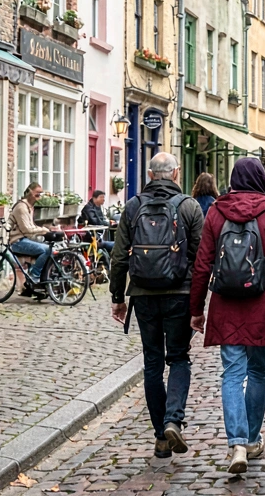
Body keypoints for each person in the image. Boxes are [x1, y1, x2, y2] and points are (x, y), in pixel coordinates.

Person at [189, 158, 265, 474]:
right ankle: (254, 437)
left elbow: (202, 264)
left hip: (225, 304)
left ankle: (238, 443)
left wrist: (196, 309)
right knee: (258, 371)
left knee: (232, 373)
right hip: (262, 302)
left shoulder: (216, 212)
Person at [109, 153, 205, 459]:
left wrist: (117, 297)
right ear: (176, 173)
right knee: (178, 358)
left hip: (143, 293)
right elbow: (201, 257)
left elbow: (120, 256)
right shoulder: (189, 206)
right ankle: (173, 419)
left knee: (152, 362)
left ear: (150, 174)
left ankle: (161, 438)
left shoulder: (133, 205)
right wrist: (199, 301)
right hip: (180, 293)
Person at [9, 183, 60, 298]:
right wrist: (43, 230)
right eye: (37, 193)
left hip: (26, 239)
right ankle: (34, 276)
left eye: (41, 193)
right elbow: (27, 229)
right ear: (30, 192)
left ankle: (36, 287)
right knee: (47, 250)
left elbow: (31, 227)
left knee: (49, 248)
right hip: (18, 241)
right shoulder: (21, 207)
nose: (39, 195)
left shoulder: (29, 207)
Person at [79, 189, 115, 253]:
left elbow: (101, 219)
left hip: (98, 234)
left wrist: (108, 222)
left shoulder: (98, 207)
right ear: (94, 198)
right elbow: (95, 221)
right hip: (91, 235)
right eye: (101, 197)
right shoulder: (89, 208)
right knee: (112, 244)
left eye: (104, 197)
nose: (103, 199)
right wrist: (108, 223)